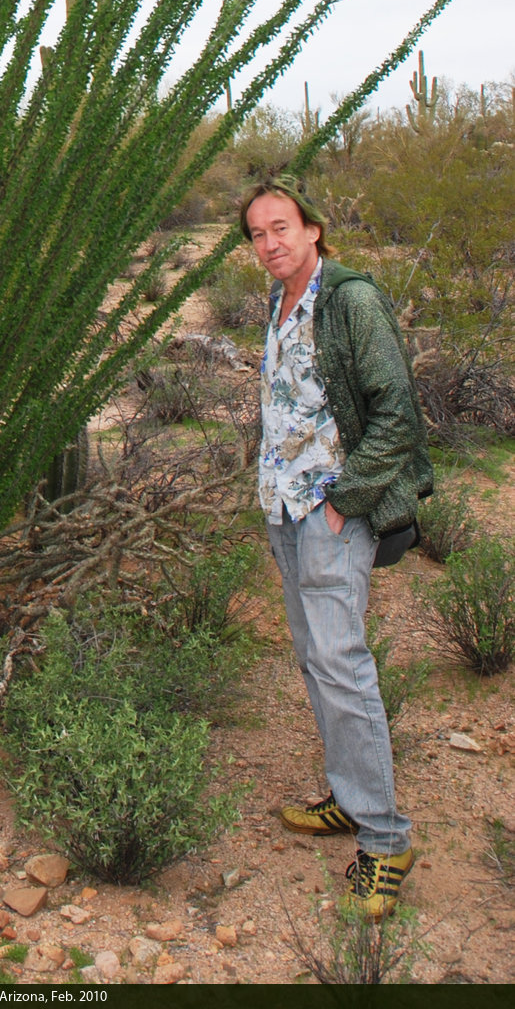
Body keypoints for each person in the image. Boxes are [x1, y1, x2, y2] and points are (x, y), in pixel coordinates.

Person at [240, 178, 432, 918]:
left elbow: (397, 416)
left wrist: (343, 504)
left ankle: (384, 841)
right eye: (257, 233)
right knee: (315, 658)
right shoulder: (279, 298)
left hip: (331, 510)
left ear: (312, 229)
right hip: (283, 507)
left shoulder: (349, 300)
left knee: (341, 665)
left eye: (281, 227)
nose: (269, 243)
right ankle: (351, 799)